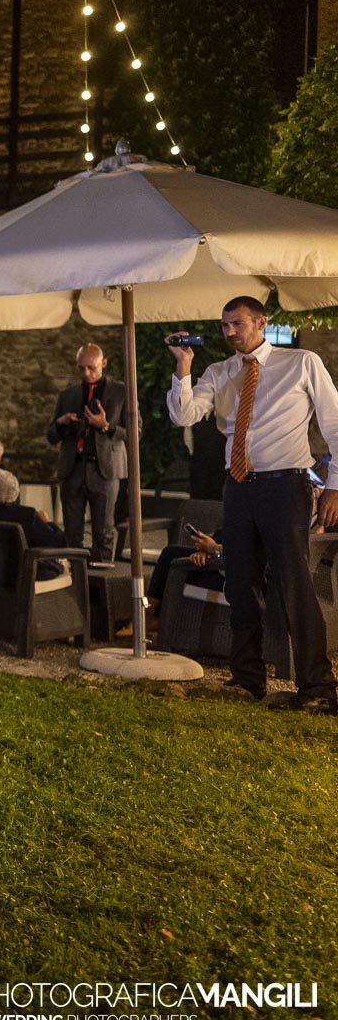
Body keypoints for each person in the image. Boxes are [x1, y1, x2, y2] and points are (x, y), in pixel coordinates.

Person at [168, 297, 338, 711]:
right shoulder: (218, 371)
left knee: (293, 582)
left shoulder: (302, 362)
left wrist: (335, 485)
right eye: (224, 325)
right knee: (239, 584)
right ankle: (247, 680)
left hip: (286, 488)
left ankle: (318, 687)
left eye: (238, 324)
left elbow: (335, 423)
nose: (229, 332)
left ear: (261, 322)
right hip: (240, 487)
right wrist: (183, 367)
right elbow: (184, 415)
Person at [47, 343, 127, 564]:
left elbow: (134, 434)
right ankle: (76, 580)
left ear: (104, 363)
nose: (86, 373)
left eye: (91, 367)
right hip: (72, 468)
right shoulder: (68, 395)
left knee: (104, 532)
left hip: (105, 470)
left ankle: (100, 584)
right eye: (81, 368)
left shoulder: (121, 392)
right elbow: (51, 436)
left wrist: (105, 425)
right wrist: (62, 423)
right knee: (72, 533)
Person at [0, 468, 71, 580]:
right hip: (19, 577)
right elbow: (60, 544)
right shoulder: (27, 515)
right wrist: (48, 522)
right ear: (15, 491)